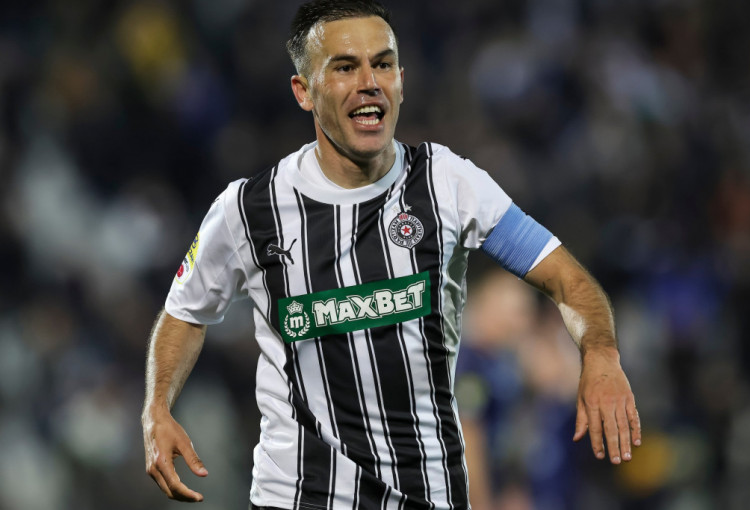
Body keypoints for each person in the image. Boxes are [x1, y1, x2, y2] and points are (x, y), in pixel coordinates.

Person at [141, 1, 641, 509]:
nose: (369, 82)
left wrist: (601, 353)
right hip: (297, 497)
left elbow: (565, 277)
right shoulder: (248, 209)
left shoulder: (448, 183)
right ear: (304, 91)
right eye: (344, 67)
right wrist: (157, 407)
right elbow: (185, 312)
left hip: (427, 496)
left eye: (382, 64)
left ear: (401, 81)